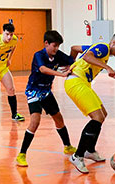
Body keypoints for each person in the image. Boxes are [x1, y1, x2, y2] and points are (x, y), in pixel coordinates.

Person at [65, 31, 115, 173]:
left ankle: (90, 150)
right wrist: (107, 67)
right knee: (97, 117)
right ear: (113, 43)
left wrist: (70, 63)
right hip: (76, 82)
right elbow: (88, 56)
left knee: (103, 114)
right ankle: (78, 155)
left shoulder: (99, 49)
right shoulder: (104, 47)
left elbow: (75, 48)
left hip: (82, 83)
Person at [16, 30, 77, 167]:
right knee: (35, 121)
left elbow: (72, 60)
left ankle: (67, 146)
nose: (56, 49)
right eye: (54, 45)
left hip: (46, 92)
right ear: (46, 43)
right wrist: (61, 75)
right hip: (34, 91)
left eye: (58, 46)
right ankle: (22, 154)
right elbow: (43, 69)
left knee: (59, 118)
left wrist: (71, 64)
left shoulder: (58, 55)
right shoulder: (39, 55)